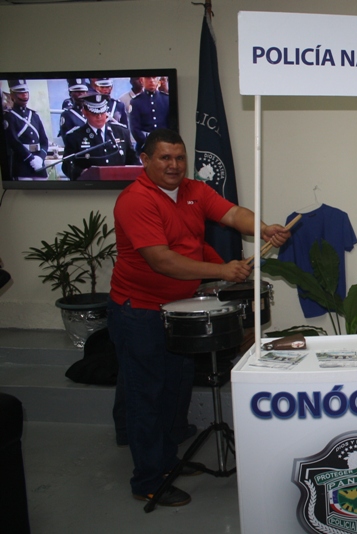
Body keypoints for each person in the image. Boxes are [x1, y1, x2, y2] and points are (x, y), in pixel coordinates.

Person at [107, 128, 290, 506]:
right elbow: (162, 260)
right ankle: (148, 479)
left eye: (179, 157)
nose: (174, 165)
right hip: (139, 310)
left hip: (181, 308)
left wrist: (263, 227)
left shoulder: (193, 190)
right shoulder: (136, 200)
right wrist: (222, 271)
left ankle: (168, 459)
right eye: (165, 158)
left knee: (175, 388)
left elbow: (232, 213)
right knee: (147, 396)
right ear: (145, 160)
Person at [61, 91, 138, 180]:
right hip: (91, 185)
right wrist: (82, 172)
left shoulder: (121, 132)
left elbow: (134, 161)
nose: (99, 116)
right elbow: (67, 166)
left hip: (119, 183)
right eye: (94, 113)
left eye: (102, 112)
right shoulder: (75, 137)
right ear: (85, 112)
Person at [2, 79, 48, 179]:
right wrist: (30, 158)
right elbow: (14, 141)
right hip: (22, 164)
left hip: (38, 162)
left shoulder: (34, 115)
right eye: (20, 93)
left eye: (26, 92)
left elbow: (44, 140)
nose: (24, 95)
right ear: (12, 95)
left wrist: (41, 157)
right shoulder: (9, 116)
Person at [128, 76, 169, 152]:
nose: (151, 81)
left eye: (154, 77)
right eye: (148, 78)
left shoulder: (166, 99)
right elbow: (135, 128)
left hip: (165, 144)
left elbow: (172, 124)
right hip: (145, 146)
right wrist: (148, 144)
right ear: (141, 80)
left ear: (158, 80)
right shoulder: (136, 102)